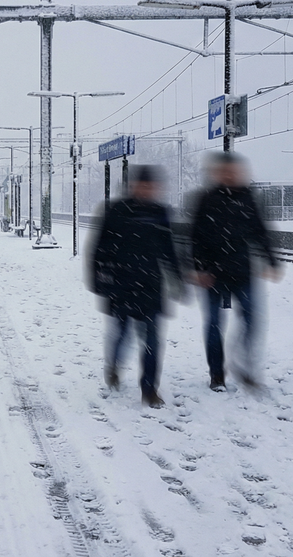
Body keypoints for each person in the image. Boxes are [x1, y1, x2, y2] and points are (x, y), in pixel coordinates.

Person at [88, 165, 182, 408]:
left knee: (152, 341)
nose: (147, 190)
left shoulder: (160, 212)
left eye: (151, 186)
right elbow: (99, 248)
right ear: (133, 186)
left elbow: (169, 250)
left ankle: (149, 389)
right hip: (121, 286)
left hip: (151, 286)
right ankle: (114, 365)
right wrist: (98, 280)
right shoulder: (116, 211)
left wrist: (178, 279)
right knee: (121, 334)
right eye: (142, 185)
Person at [190, 152, 280, 391]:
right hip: (212, 274)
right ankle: (217, 374)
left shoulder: (248, 198)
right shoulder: (206, 200)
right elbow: (196, 238)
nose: (230, 175)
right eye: (225, 172)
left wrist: (271, 260)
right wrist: (200, 268)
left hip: (241, 271)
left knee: (252, 320)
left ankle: (244, 363)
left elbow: (260, 231)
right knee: (213, 325)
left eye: (234, 172)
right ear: (217, 174)